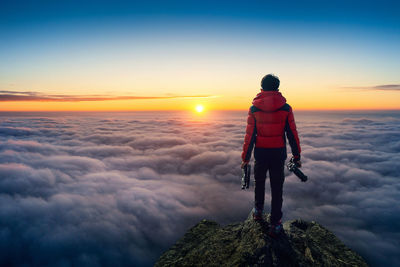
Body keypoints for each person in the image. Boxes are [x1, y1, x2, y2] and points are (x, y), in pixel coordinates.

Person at [241, 74, 301, 237]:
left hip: (260, 153)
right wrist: (297, 156)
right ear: (277, 88)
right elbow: (292, 134)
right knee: (277, 188)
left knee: (259, 183)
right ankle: (275, 223)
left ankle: (258, 212)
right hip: (278, 153)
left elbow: (250, 136)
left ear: (261, 88)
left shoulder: (253, 109)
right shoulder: (286, 108)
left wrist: (245, 158)